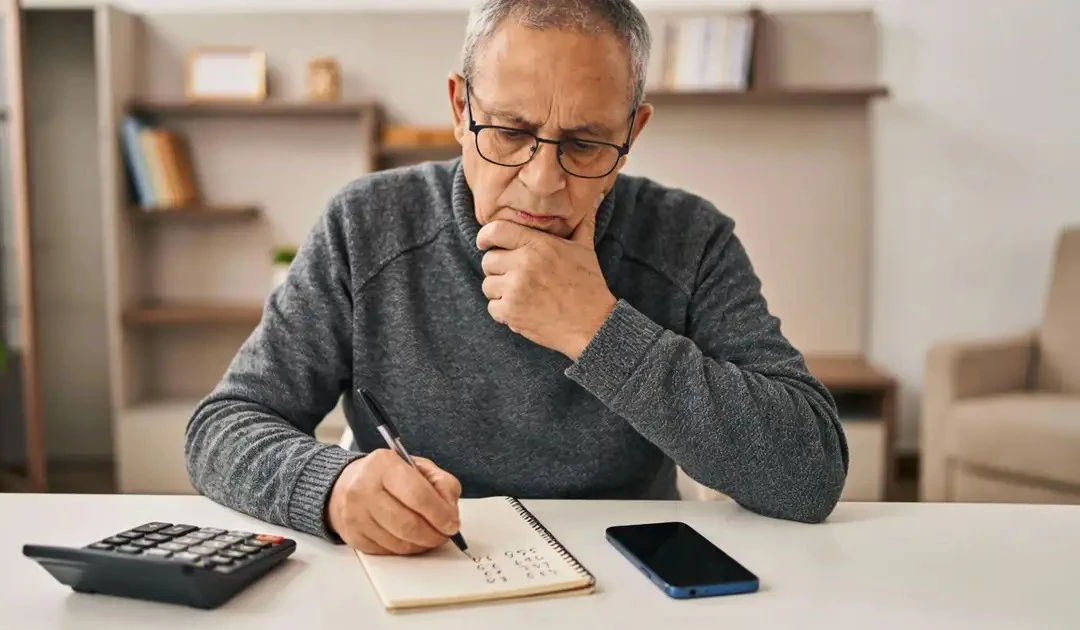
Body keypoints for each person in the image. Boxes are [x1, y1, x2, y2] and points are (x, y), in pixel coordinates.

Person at [185, 0, 848, 556]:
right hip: (419, 575)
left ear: (633, 130)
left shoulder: (690, 239)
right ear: (457, 106)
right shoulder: (367, 227)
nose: (542, 181)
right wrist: (331, 488)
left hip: (628, 581)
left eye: (586, 144)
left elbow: (808, 474)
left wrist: (597, 329)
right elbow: (222, 427)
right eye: (508, 131)